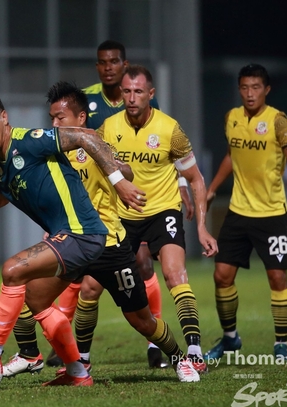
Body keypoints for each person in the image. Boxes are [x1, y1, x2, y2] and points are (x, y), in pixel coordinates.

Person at [0, 93, 145, 387]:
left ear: (4, 118)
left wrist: (119, 181)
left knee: (12, 270)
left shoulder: (30, 140)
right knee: (37, 301)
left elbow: (86, 136)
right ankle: (77, 373)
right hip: (72, 237)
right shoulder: (0, 164)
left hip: (82, 232)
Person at [2, 82, 200, 383]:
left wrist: (119, 173)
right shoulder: (52, 153)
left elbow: (127, 171)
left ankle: (179, 358)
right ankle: (50, 359)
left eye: (60, 117)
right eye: (52, 118)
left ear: (81, 118)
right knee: (30, 293)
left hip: (109, 244)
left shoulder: (95, 143)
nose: (54, 124)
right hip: (72, 242)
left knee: (141, 320)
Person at [45, 40, 193, 369]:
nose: (108, 67)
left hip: (139, 206)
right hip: (99, 214)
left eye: (114, 62)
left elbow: (158, 152)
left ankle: (165, 349)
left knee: (142, 273)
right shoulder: (86, 100)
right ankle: (57, 354)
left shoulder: (144, 106)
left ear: (125, 68)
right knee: (76, 287)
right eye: (102, 62)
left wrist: (179, 182)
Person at [99, 64, 218, 373]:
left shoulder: (170, 130)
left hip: (163, 211)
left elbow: (196, 178)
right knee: (90, 286)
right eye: (127, 91)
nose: (132, 98)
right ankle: (80, 363)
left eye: (138, 91)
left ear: (151, 94)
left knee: (175, 274)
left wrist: (202, 228)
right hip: (123, 216)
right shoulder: (108, 128)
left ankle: (194, 350)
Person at [204, 64, 287, 361]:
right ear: (239, 89)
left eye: (255, 87)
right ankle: (230, 339)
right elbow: (231, 156)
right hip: (238, 211)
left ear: (266, 89)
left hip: (271, 214)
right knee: (221, 275)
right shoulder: (231, 118)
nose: (249, 93)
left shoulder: (278, 120)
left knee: (277, 278)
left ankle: (281, 344)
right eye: (244, 87)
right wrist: (212, 188)